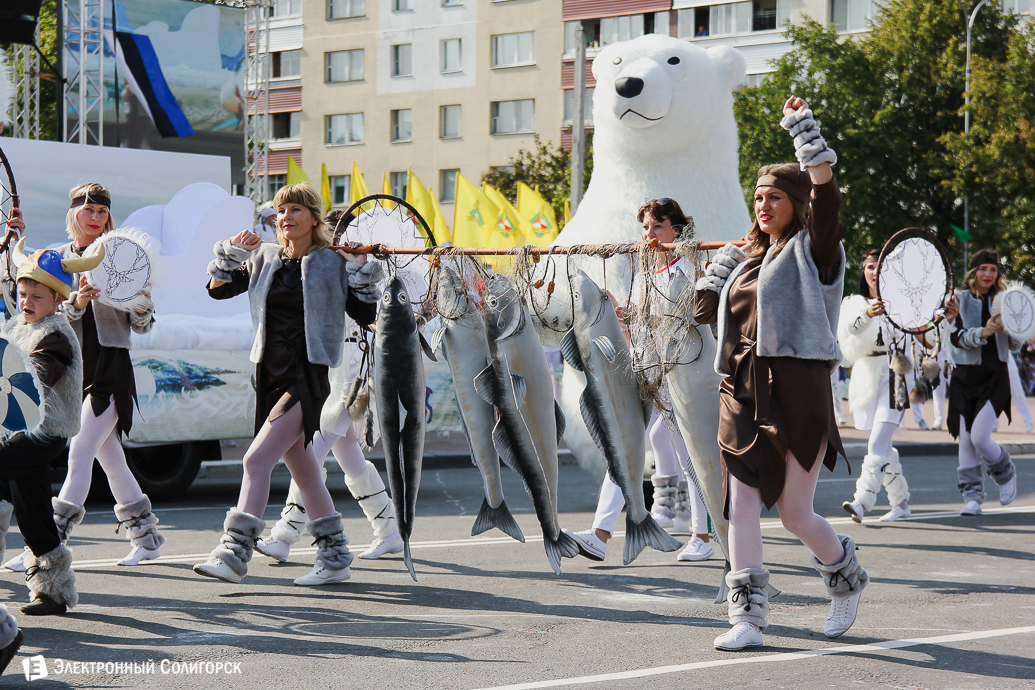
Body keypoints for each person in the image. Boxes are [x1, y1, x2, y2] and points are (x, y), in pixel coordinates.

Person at [694, 96, 867, 651]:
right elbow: (700, 310)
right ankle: (746, 618)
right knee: (740, 505)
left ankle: (845, 576)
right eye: (757, 197)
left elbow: (827, 194)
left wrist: (805, 131)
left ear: (795, 203)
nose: (763, 205)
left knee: (794, 512)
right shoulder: (745, 260)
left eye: (773, 197)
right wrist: (718, 264)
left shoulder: (817, 252)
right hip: (740, 392)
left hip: (799, 390)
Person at [194, 183, 381, 586]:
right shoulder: (265, 258)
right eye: (281, 210)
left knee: (254, 461)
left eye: (296, 209)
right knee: (305, 471)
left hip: (307, 376)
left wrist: (360, 269)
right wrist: (232, 251)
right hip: (269, 375)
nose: (286, 217)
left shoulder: (332, 262)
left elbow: (367, 313)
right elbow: (217, 290)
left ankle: (234, 553)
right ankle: (335, 559)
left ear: (314, 217)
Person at [5, 183, 166, 573]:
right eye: (88, 210)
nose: (95, 218)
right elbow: (27, 300)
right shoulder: (56, 258)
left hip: (110, 369)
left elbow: (141, 326)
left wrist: (142, 305)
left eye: (101, 212)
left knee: (79, 454)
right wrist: (75, 303)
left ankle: (43, 548)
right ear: (73, 213)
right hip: (70, 371)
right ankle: (147, 539)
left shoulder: (122, 257)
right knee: (111, 460)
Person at [564, 198, 713, 563]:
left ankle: (703, 534)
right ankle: (600, 535)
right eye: (645, 227)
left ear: (675, 230)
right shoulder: (645, 271)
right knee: (626, 448)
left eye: (657, 227)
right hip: (645, 370)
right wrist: (628, 315)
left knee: (690, 455)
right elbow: (645, 322)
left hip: (678, 375)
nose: (649, 235)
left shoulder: (692, 266)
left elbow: (693, 321)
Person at [255, 209, 403, 563]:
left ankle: (285, 534)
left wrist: (358, 268)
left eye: (340, 232)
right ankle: (389, 530)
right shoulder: (318, 262)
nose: (335, 238)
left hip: (350, 374)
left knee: (310, 451)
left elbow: (372, 313)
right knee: (349, 456)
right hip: (333, 371)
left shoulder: (352, 264)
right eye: (333, 232)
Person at [0, 237, 104, 614]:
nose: (26, 301)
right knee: (32, 507)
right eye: (22, 292)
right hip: (20, 430)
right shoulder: (17, 328)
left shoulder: (55, 335)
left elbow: (35, 380)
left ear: (57, 300)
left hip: (45, 433)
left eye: (36, 297)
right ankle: (54, 592)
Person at [838, 249, 912, 523]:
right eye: (870, 266)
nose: (875, 272)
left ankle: (862, 501)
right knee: (883, 443)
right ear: (864, 271)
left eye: (880, 267)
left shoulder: (904, 302)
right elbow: (852, 330)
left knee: (877, 441)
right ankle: (901, 502)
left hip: (896, 375)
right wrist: (869, 313)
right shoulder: (854, 303)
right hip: (866, 376)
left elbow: (922, 336)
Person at [944, 249, 1019, 516]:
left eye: (993, 269)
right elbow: (955, 339)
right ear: (974, 272)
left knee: (979, 437)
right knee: (965, 440)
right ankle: (973, 498)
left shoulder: (1006, 300)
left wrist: (1015, 329)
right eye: (983, 269)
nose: (988, 274)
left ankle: (1005, 473)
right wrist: (984, 332)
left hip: (996, 376)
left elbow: (1015, 343)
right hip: (965, 377)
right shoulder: (959, 300)